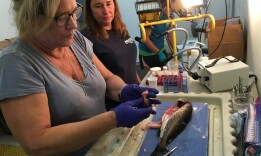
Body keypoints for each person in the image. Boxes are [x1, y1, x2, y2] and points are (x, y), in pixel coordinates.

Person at [0, 0, 160, 156]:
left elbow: (107, 78)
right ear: (32, 19)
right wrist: (113, 118)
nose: (74, 24)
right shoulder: (16, 63)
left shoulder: (74, 39)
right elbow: (36, 143)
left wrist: (123, 90)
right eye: (62, 18)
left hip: (106, 145)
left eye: (74, 12)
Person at [80, 0, 141, 109]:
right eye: (99, 6)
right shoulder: (85, 38)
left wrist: (141, 87)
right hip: (115, 104)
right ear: (90, 10)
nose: (106, 11)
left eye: (108, 4)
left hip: (136, 96)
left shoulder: (121, 29)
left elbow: (129, 64)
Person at [138, 0, 175, 70]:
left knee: (165, 73)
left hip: (161, 49)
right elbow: (145, 39)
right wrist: (158, 52)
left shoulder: (168, 15)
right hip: (148, 53)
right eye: (172, 1)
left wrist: (176, 50)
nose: (174, 4)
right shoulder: (151, 14)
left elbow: (170, 36)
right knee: (154, 78)